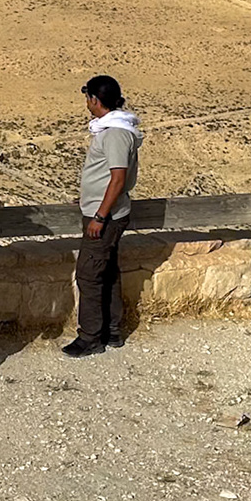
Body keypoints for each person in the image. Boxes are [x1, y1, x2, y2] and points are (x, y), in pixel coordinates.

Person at [64, 75, 143, 357]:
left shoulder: (115, 134)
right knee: (106, 270)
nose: (87, 104)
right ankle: (111, 330)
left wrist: (99, 215)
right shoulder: (114, 130)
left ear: (95, 100)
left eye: (88, 98)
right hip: (103, 209)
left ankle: (90, 337)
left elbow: (118, 179)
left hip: (105, 216)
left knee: (88, 273)